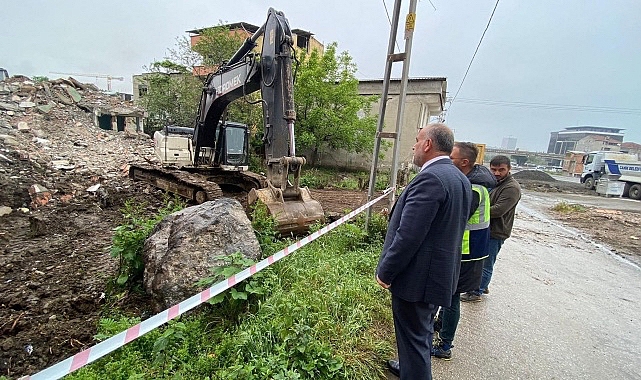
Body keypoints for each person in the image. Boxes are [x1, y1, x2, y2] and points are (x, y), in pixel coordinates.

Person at [376, 123, 472, 379]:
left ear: (428, 144)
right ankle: (408, 368)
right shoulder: (459, 178)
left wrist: (386, 272)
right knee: (421, 334)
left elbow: (408, 235)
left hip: (418, 281)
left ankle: (414, 371)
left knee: (415, 342)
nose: (414, 146)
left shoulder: (431, 179)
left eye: (417, 140)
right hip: (438, 276)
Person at [431, 142, 496, 360]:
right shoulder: (472, 182)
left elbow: (454, 218)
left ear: (464, 162)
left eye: (452, 158)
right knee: (449, 296)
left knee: (451, 297)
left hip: (468, 251)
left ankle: (445, 345)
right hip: (467, 249)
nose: (448, 161)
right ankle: (441, 325)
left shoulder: (473, 189)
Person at [461, 155, 522, 302]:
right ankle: (483, 284)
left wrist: (477, 210)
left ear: (509, 169)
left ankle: (476, 292)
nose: (497, 173)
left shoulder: (511, 188)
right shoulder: (496, 183)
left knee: (486, 263)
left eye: (501, 170)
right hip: (487, 229)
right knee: (481, 261)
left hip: (497, 231)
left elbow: (499, 210)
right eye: (494, 169)